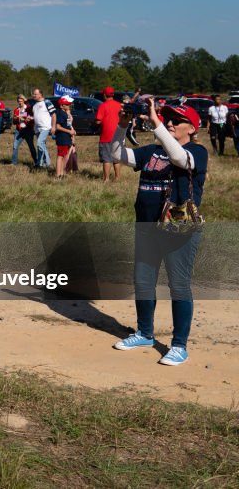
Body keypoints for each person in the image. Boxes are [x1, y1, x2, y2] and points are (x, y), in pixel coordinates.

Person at [111, 100, 207, 366]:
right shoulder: (152, 151)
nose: (171, 123)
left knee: (178, 286)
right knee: (143, 282)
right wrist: (121, 125)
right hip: (147, 227)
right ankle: (144, 333)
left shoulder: (196, 152)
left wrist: (156, 124)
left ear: (192, 128)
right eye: (168, 118)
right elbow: (116, 154)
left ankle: (179, 345)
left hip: (178, 231)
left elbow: (178, 159)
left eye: (177, 120)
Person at [95, 85, 123, 181]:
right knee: (116, 158)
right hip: (118, 135)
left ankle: (106, 179)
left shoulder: (103, 105)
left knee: (107, 158)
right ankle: (117, 177)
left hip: (106, 135)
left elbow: (98, 120)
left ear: (104, 95)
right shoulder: (119, 105)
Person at [53, 96, 76, 179]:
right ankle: (58, 174)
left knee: (64, 156)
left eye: (69, 104)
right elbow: (58, 127)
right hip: (62, 138)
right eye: (67, 104)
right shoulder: (60, 113)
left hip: (66, 137)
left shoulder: (65, 113)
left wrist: (72, 131)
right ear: (61, 105)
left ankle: (61, 173)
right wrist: (69, 131)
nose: (69, 105)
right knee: (60, 156)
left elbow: (68, 125)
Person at [11, 94, 36, 166]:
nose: (20, 103)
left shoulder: (28, 108)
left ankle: (36, 161)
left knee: (31, 146)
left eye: (21, 101)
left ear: (24, 101)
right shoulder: (16, 110)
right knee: (15, 146)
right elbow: (14, 122)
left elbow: (32, 119)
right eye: (18, 101)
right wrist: (15, 119)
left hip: (28, 130)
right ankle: (13, 162)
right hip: (19, 130)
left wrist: (24, 119)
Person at [31, 87, 53, 169]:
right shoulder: (35, 105)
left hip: (45, 127)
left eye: (35, 94)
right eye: (34, 94)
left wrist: (53, 126)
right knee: (42, 146)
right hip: (37, 128)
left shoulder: (47, 102)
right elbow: (36, 116)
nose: (34, 95)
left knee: (39, 143)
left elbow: (53, 114)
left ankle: (39, 163)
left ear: (40, 94)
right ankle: (47, 164)